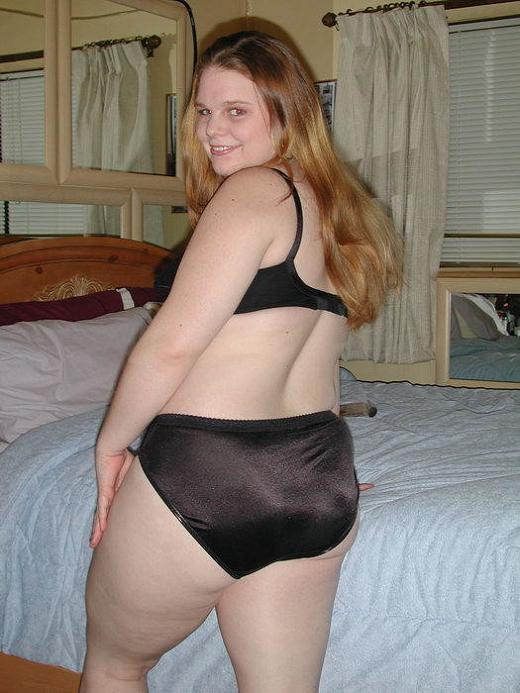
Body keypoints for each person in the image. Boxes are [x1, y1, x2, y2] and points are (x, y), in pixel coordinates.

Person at [80, 30, 401, 693]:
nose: (211, 131)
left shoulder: (254, 190)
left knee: (117, 666)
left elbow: (171, 345)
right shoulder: (337, 208)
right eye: (203, 111)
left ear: (288, 114)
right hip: (318, 472)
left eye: (236, 111)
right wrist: (303, 477)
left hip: (210, 469)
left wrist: (110, 447)